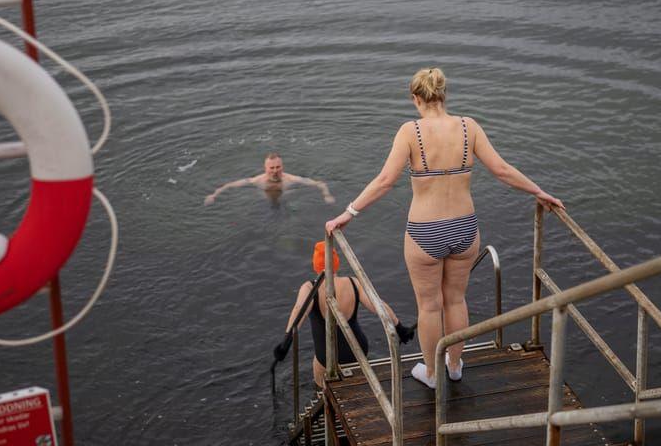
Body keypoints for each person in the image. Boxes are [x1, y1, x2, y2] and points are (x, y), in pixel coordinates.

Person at [326, 68, 563, 389]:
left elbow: (384, 181)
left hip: (425, 231)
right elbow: (502, 170)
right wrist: (539, 191)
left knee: (429, 306)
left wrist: (349, 212)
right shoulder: (469, 127)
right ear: (444, 94)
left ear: (416, 98)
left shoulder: (410, 131)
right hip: (465, 228)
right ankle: (454, 366)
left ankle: (432, 374)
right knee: (456, 300)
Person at [276, 241, 414, 389]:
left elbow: (299, 311)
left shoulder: (310, 288)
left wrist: (286, 342)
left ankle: (323, 396)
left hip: (327, 356)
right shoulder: (353, 282)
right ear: (337, 263)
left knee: (321, 381)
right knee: (356, 386)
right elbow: (379, 305)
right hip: (357, 349)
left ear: (315, 265)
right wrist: (400, 328)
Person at [205, 153, 334, 205]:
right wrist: (213, 195)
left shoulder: (291, 179)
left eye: (278, 167)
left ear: (282, 166)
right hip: (263, 202)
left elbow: (319, 184)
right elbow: (230, 185)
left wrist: (327, 195)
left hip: (287, 201)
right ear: (265, 168)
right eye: (271, 168)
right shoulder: (257, 180)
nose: (275, 170)